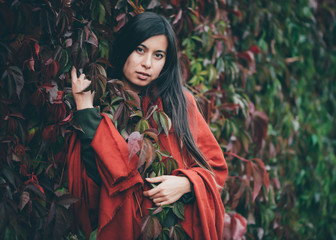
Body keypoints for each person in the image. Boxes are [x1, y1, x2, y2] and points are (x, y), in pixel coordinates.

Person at [67, 12, 228, 240]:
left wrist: (186, 183)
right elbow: (94, 181)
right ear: (125, 48)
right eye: (140, 50)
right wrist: (86, 111)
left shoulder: (178, 103)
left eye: (158, 55)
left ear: (166, 62)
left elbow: (216, 169)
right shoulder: (102, 102)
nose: (147, 64)